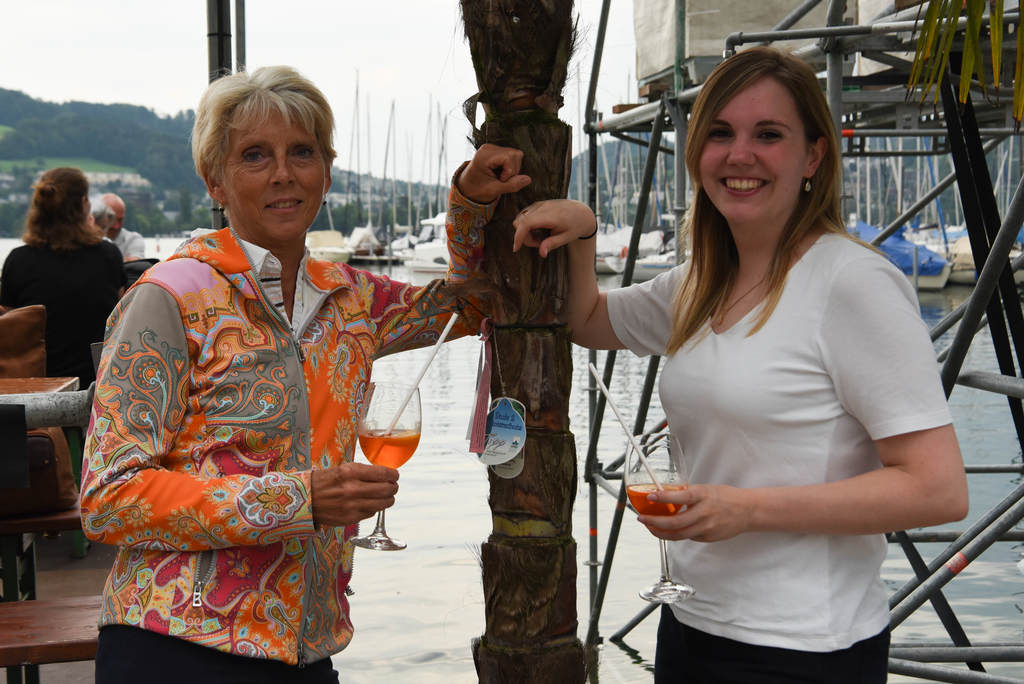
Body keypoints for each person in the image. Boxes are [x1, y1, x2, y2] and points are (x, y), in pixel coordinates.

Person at [462, 47, 969, 682]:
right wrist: (586, 233)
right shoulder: (702, 280)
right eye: (721, 133)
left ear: (814, 155)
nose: (739, 155)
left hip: (805, 650)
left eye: (769, 135)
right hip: (692, 628)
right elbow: (590, 323)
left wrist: (748, 509)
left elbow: (938, 489)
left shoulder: (853, 284)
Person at [80, 66, 521, 684]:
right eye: (255, 155)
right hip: (174, 647)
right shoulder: (169, 299)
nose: (283, 173)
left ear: (327, 173)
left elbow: (471, 306)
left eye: (302, 153)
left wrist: (470, 202)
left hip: (307, 652)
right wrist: (300, 500)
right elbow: (108, 497)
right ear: (216, 181)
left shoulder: (351, 300)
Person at [0, 168, 125, 388]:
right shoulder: (109, 255)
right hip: (100, 385)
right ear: (84, 204)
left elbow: (12, 329)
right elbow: (120, 315)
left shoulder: (19, 261)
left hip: (37, 386)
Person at [101, 192, 145, 261]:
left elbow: (135, 263)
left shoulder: (133, 239)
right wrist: (124, 261)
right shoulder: (85, 239)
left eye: (120, 220)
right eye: (112, 219)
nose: (116, 226)